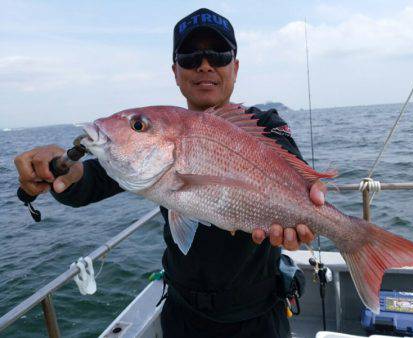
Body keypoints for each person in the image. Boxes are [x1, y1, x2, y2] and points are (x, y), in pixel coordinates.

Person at [14, 8, 327, 338]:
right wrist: (65, 171)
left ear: (234, 68)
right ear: (176, 72)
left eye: (218, 54)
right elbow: (93, 179)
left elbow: (291, 165)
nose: (205, 64)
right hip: (183, 313)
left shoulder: (267, 126)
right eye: (190, 56)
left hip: (258, 315)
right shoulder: (156, 142)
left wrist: (311, 197)